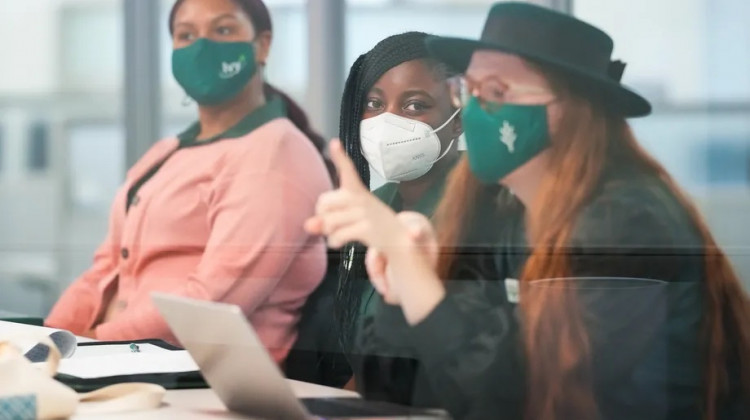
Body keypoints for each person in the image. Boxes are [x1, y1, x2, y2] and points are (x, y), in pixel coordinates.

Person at [307, 3, 750, 420]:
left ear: (568, 109)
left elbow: (526, 395)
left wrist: (415, 277)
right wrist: (398, 285)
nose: (474, 108)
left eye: (496, 91)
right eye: (470, 89)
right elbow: (403, 386)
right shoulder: (503, 210)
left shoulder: (624, 219)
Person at [46, 0, 333, 364]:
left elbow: (212, 302)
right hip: (124, 363)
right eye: (186, 35)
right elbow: (106, 269)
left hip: (196, 380)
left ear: (262, 45)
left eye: (223, 29)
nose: (201, 47)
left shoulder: (275, 152)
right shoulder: (166, 153)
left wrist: (93, 346)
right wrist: (47, 344)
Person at [285, 32, 464, 389]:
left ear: (458, 117)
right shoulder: (372, 207)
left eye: (415, 105)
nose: (388, 121)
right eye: (374, 104)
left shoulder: (481, 208)